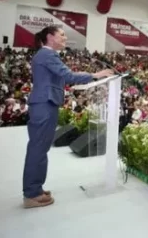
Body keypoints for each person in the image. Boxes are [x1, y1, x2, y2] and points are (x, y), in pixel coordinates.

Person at [22, 26, 112, 209]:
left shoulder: (45, 55)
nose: (65, 38)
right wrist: (95, 75)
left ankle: (35, 189)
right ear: (50, 37)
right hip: (44, 104)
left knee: (39, 148)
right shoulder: (47, 54)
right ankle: (31, 193)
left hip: (45, 104)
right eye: (62, 34)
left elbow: (63, 77)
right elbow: (68, 75)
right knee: (38, 149)